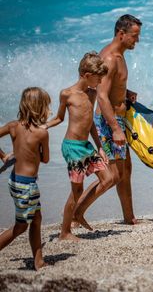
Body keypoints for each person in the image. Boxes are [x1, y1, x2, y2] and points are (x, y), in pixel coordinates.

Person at [46, 52, 115, 240]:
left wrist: (100, 146)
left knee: (108, 178)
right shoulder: (67, 94)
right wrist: (43, 126)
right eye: (98, 77)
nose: (100, 81)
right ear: (86, 75)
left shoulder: (91, 94)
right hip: (72, 146)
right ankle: (65, 231)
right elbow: (59, 118)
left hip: (86, 145)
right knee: (76, 190)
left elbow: (90, 122)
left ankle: (78, 213)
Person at [93, 14, 141, 224]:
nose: (137, 40)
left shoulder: (119, 55)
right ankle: (75, 214)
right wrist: (115, 128)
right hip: (108, 121)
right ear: (121, 34)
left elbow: (109, 87)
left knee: (125, 170)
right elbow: (101, 96)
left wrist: (125, 92)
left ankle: (128, 217)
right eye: (134, 35)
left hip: (115, 119)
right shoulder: (110, 58)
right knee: (112, 176)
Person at [0, 87, 51, 270]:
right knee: (20, 227)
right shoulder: (41, 133)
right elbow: (45, 159)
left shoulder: (13, 126)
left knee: (36, 218)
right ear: (40, 108)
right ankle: (38, 262)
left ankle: (39, 262)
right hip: (28, 186)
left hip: (14, 181)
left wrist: (4, 155)